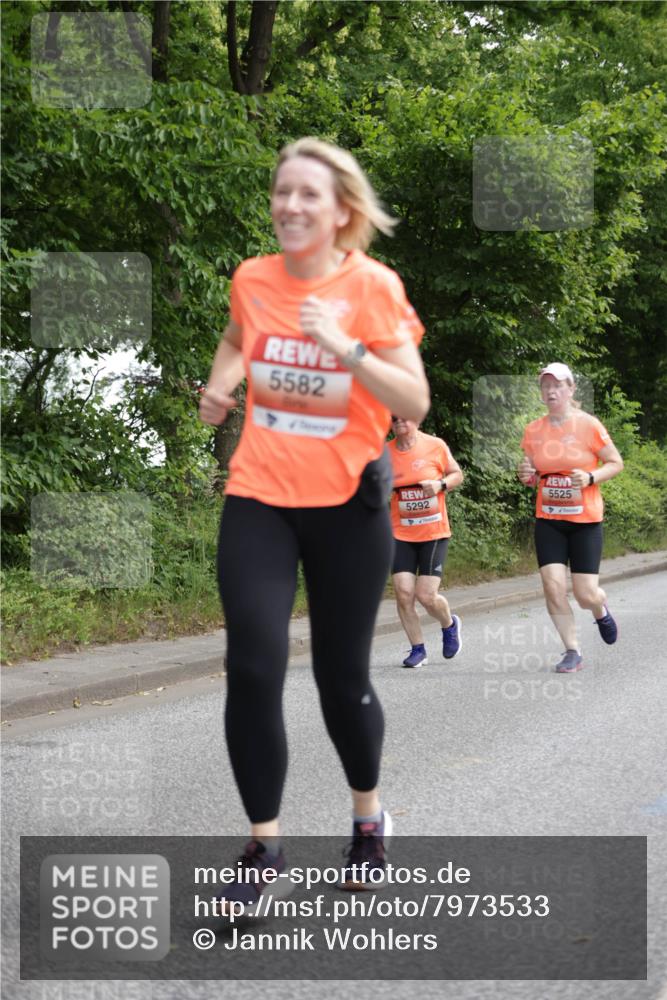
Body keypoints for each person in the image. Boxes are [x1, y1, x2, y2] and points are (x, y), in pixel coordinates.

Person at [199, 137, 429, 911]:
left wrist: (345, 347)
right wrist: (222, 384)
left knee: (341, 678)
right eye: (281, 191)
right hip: (259, 495)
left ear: (339, 212)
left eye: (308, 194)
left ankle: (367, 822)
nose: (290, 205)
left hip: (347, 507)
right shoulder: (252, 278)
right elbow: (237, 339)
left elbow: (413, 400)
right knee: (252, 664)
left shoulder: (371, 286)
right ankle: (264, 848)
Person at [517, 363, 624, 673]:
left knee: (585, 594)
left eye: (558, 385)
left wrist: (590, 477)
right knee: (552, 587)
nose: (551, 391)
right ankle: (572, 650)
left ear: (571, 389)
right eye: (546, 386)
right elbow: (531, 473)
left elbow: (615, 462)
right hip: (549, 519)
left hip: (585, 521)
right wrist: (526, 474)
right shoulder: (533, 430)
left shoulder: (588, 425)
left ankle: (599, 609)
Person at [388, 417, 464, 667]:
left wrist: (440, 484)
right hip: (400, 533)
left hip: (433, 533)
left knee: (426, 595)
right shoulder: (384, 453)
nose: (398, 421)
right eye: (393, 418)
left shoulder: (434, 445)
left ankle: (449, 624)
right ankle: (417, 649)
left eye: (404, 416)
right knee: (403, 593)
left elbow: (457, 474)